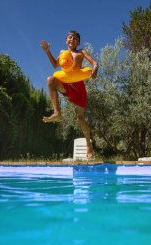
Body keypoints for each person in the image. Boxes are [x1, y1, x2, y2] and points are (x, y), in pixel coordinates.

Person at [40, 31, 98, 159]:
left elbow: (94, 63)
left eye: (75, 38)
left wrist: (95, 69)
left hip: (78, 88)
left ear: (78, 42)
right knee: (50, 80)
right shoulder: (62, 53)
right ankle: (57, 113)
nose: (72, 39)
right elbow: (55, 65)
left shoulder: (81, 52)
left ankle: (88, 144)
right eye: (70, 37)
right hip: (66, 85)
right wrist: (47, 51)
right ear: (66, 40)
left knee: (80, 118)